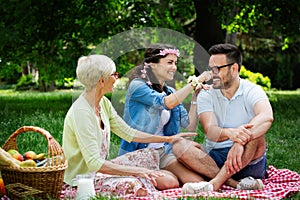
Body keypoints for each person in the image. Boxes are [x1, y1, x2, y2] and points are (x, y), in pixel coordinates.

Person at [62, 54, 195, 198]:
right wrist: (136, 171)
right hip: (83, 180)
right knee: (133, 185)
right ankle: (140, 181)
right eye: (114, 74)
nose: (117, 78)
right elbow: (94, 163)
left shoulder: (103, 103)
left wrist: (169, 139)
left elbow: (128, 133)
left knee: (154, 161)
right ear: (101, 81)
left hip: (100, 170)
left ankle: (147, 176)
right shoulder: (81, 112)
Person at [173, 43, 274, 193]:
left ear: (233, 69)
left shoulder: (252, 90)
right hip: (215, 160)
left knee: (257, 135)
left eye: (217, 69)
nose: (212, 73)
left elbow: (267, 116)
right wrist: (232, 134)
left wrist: (240, 142)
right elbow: (210, 131)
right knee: (179, 145)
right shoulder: (206, 93)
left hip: (249, 160)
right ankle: (234, 183)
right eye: (210, 69)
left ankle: (214, 184)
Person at [118, 43, 212, 190]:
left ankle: (229, 180)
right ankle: (137, 176)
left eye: (175, 63)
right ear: (152, 65)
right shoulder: (138, 86)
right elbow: (165, 103)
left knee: (197, 182)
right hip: (140, 153)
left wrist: (195, 97)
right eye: (169, 62)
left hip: (164, 151)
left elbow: (189, 126)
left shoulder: (170, 92)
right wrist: (195, 81)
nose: (174, 67)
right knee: (171, 183)